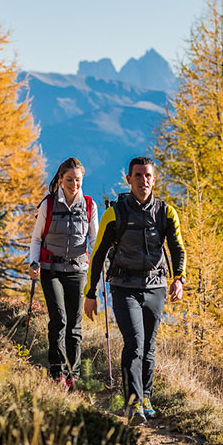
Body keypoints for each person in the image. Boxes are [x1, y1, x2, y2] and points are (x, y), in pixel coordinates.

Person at [83, 156, 185, 424]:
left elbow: (177, 248)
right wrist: (90, 293)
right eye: (138, 176)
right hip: (123, 287)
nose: (144, 181)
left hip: (156, 287)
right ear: (128, 179)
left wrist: (179, 278)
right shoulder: (115, 213)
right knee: (135, 343)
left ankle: (146, 396)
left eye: (148, 175)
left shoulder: (165, 212)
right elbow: (98, 254)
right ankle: (133, 403)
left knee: (149, 346)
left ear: (154, 178)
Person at [26, 157, 98, 389]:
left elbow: (94, 240)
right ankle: (57, 370)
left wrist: (99, 266)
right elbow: (37, 239)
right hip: (51, 270)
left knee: (74, 323)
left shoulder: (89, 206)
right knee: (59, 320)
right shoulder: (48, 204)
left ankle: (72, 372)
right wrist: (33, 263)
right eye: (69, 180)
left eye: (77, 180)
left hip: (78, 270)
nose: (73, 184)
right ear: (60, 179)